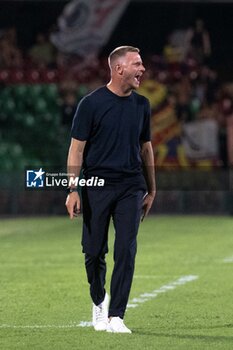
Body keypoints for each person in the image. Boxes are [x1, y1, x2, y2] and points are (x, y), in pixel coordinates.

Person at [65, 46, 156, 333]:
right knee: (93, 252)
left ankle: (117, 315)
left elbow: (146, 149)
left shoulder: (142, 105)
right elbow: (76, 149)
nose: (142, 69)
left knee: (126, 249)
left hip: (131, 187)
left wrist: (151, 189)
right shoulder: (90, 104)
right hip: (97, 187)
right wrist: (72, 190)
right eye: (137, 64)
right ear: (119, 69)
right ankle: (98, 300)